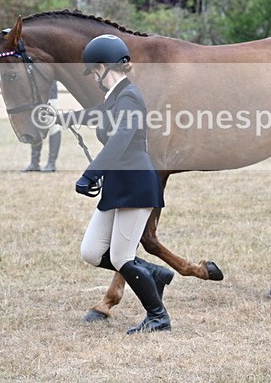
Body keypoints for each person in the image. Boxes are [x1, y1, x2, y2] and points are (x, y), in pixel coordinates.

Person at [58, 34, 173, 334]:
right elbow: (94, 115)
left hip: (136, 185)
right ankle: (153, 274)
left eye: (95, 70)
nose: (94, 77)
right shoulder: (115, 99)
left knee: (122, 256)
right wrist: (60, 117)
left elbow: (121, 138)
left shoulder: (129, 97)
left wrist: (90, 173)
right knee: (92, 251)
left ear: (103, 66)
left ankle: (158, 317)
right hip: (118, 186)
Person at [23, 81, 62, 172]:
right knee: (35, 127)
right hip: (34, 96)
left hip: (49, 93)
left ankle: (51, 163)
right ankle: (34, 163)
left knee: (53, 127)